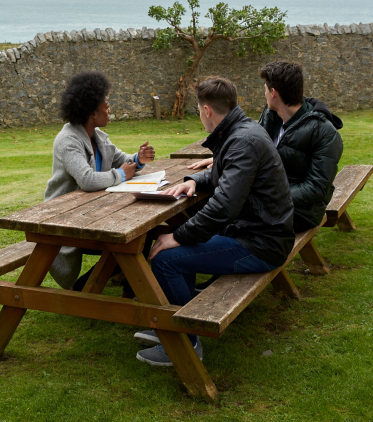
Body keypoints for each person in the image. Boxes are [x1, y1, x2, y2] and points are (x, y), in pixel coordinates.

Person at [135, 77, 294, 367]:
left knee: (165, 257)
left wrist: (178, 236)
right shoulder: (240, 132)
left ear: (207, 110)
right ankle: (174, 326)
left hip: (260, 244)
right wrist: (195, 180)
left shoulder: (241, 140)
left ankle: (185, 342)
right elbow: (231, 177)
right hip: (258, 233)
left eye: (198, 110)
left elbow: (223, 207)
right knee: (173, 247)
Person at [187, 62, 344, 292]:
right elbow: (251, 159)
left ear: (273, 93)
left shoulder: (323, 132)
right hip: (269, 203)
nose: (264, 92)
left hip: (300, 211)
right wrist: (206, 172)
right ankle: (207, 280)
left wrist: (268, 197)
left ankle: (207, 286)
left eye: (264, 87)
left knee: (228, 214)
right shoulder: (269, 117)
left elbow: (317, 188)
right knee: (217, 209)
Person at [45, 71, 155, 290]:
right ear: (93, 112)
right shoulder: (68, 141)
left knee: (143, 230)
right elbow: (86, 180)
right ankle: (85, 288)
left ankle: (129, 288)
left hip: (93, 211)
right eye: (106, 104)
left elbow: (122, 160)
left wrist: (137, 159)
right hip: (65, 218)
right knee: (130, 236)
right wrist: (122, 175)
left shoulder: (99, 137)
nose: (109, 108)